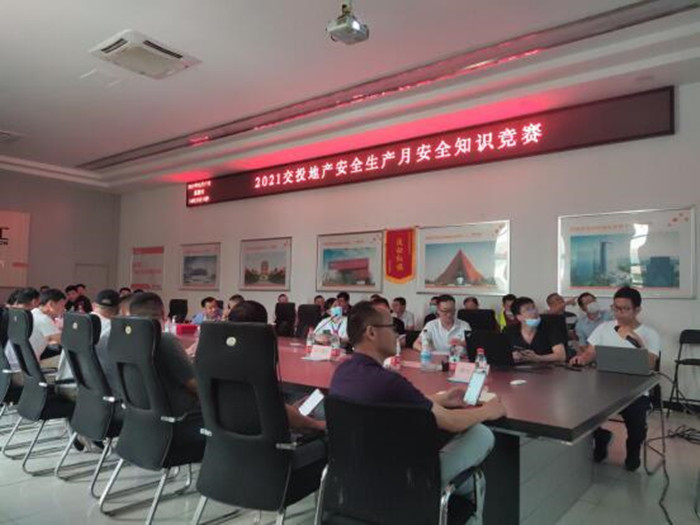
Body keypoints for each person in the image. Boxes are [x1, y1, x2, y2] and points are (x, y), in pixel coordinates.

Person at [330, 301, 505, 497]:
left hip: (355, 477)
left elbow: (393, 403)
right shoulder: (389, 381)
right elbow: (451, 421)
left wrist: (442, 399)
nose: (397, 334)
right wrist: (487, 411)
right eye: (391, 327)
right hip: (406, 479)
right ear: (371, 332)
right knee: (481, 434)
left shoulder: (342, 372)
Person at [570, 286, 660, 471]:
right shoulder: (604, 327)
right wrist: (582, 358)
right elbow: (590, 353)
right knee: (579, 412)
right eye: (616, 308)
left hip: (635, 391)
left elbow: (651, 364)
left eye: (625, 309)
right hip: (603, 387)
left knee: (636, 427)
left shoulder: (649, 333)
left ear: (637, 309)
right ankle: (601, 438)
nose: (619, 313)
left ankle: (633, 451)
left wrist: (637, 341)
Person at [228, 300, 325, 432]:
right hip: (261, 437)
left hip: (221, 436)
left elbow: (252, 402)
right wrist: (316, 424)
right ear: (263, 328)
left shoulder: (217, 355)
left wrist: (291, 409)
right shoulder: (258, 361)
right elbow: (272, 410)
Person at [128, 293, 199, 416]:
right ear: (163, 314)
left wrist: (182, 355)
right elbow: (195, 386)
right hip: (176, 413)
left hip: (135, 410)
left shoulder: (119, 339)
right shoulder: (164, 340)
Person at [56, 289, 121, 394]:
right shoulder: (114, 329)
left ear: (93, 305)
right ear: (119, 309)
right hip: (90, 393)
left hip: (63, 384)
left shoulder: (75, 321)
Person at [505, 297, 566, 363]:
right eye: (528, 309)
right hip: (518, 368)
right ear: (519, 317)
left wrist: (538, 358)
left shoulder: (550, 327)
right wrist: (511, 356)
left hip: (546, 367)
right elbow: (502, 355)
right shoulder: (509, 331)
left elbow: (561, 356)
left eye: (534, 307)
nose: (534, 311)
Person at [3, 288, 44, 383]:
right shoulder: (26, 317)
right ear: (34, 302)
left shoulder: (6, 313)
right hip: (18, 371)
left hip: (5, 368)